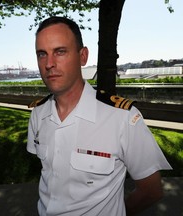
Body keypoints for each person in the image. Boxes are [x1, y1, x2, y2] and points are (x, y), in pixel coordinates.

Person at [27, 16, 172, 216]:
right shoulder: (38, 114)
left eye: (60, 52)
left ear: (83, 56)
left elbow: (151, 191)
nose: (49, 63)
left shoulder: (122, 118)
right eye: (42, 54)